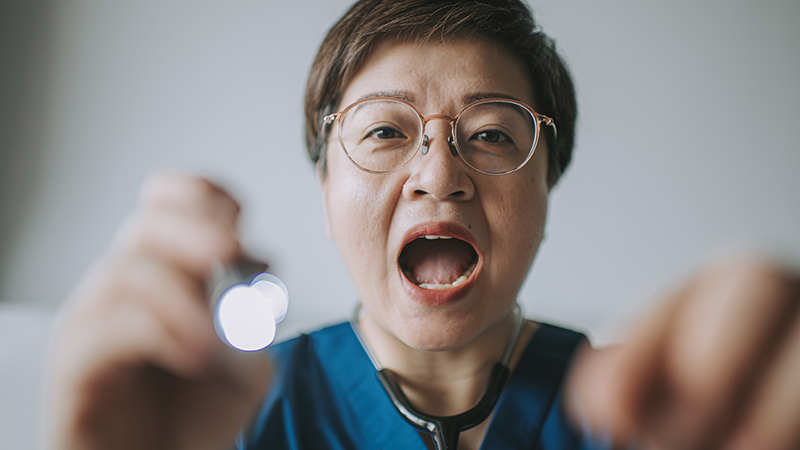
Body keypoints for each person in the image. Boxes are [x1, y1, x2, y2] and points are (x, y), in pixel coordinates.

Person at [44, 0, 800, 449]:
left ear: (547, 187)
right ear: (325, 190)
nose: (439, 175)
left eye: (493, 135)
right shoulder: (221, 417)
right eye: (383, 133)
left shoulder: (656, 416)